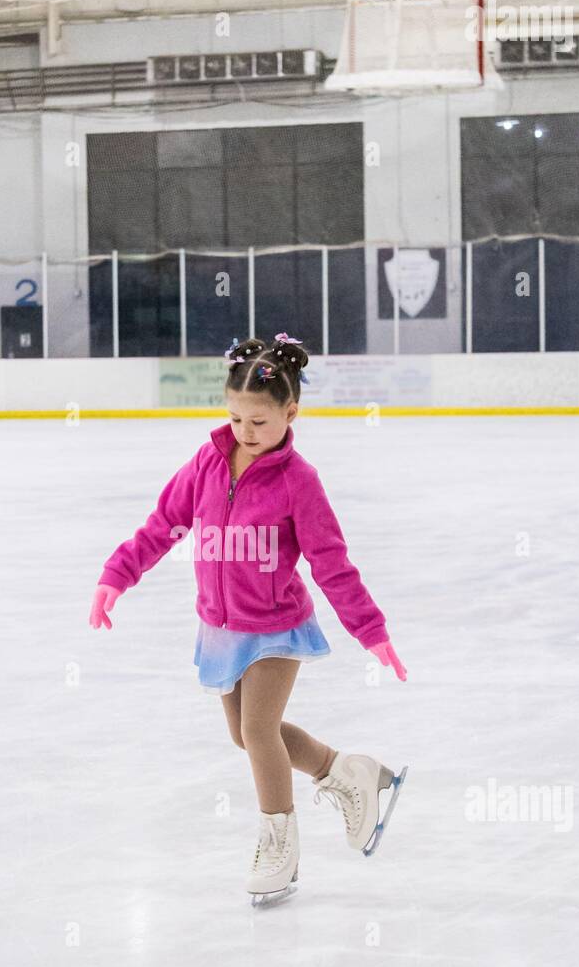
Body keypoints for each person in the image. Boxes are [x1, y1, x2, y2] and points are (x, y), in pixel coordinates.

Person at [90, 332, 407, 903]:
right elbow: (164, 524)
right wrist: (117, 575)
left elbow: (331, 561)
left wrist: (371, 630)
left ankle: (279, 839)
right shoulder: (208, 462)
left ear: (291, 412)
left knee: (259, 730)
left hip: (276, 624)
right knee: (244, 736)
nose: (245, 432)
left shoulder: (298, 482)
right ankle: (348, 772)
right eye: (235, 418)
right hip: (219, 625)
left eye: (259, 422)